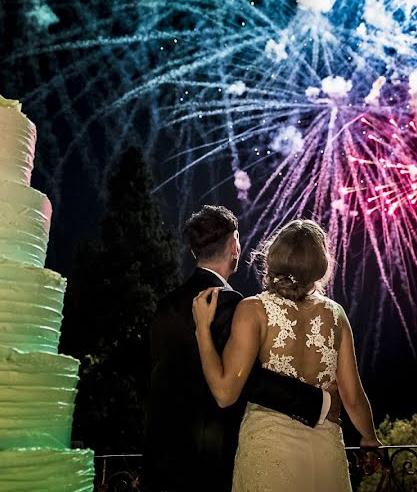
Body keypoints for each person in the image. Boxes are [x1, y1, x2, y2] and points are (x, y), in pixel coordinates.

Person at [144, 206, 341, 492]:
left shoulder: (167, 305)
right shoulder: (228, 303)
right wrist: (320, 402)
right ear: (235, 245)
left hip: (161, 456)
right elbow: (249, 380)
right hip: (208, 461)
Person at [192, 219, 381, 492]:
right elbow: (352, 396)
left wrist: (202, 331)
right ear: (319, 265)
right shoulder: (335, 315)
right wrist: (370, 439)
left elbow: (224, 393)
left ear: (274, 257)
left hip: (270, 451)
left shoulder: (253, 309)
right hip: (324, 453)